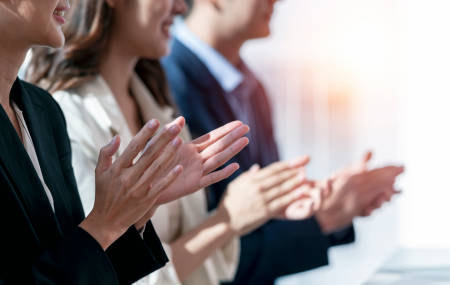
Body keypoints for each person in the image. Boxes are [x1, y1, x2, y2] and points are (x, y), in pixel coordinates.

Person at [27, 0, 327, 284]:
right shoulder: (66, 115)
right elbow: (106, 272)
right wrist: (227, 219)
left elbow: (200, 259)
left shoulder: (158, 106)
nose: (182, 6)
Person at [161, 0, 405, 284]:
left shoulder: (252, 88)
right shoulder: (166, 88)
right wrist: (324, 218)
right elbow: (204, 254)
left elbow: (262, 214)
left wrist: (325, 199)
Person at [0, 0, 243, 283]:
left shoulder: (44, 112)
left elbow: (77, 267)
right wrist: (105, 224)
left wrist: (131, 211)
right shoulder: (63, 107)